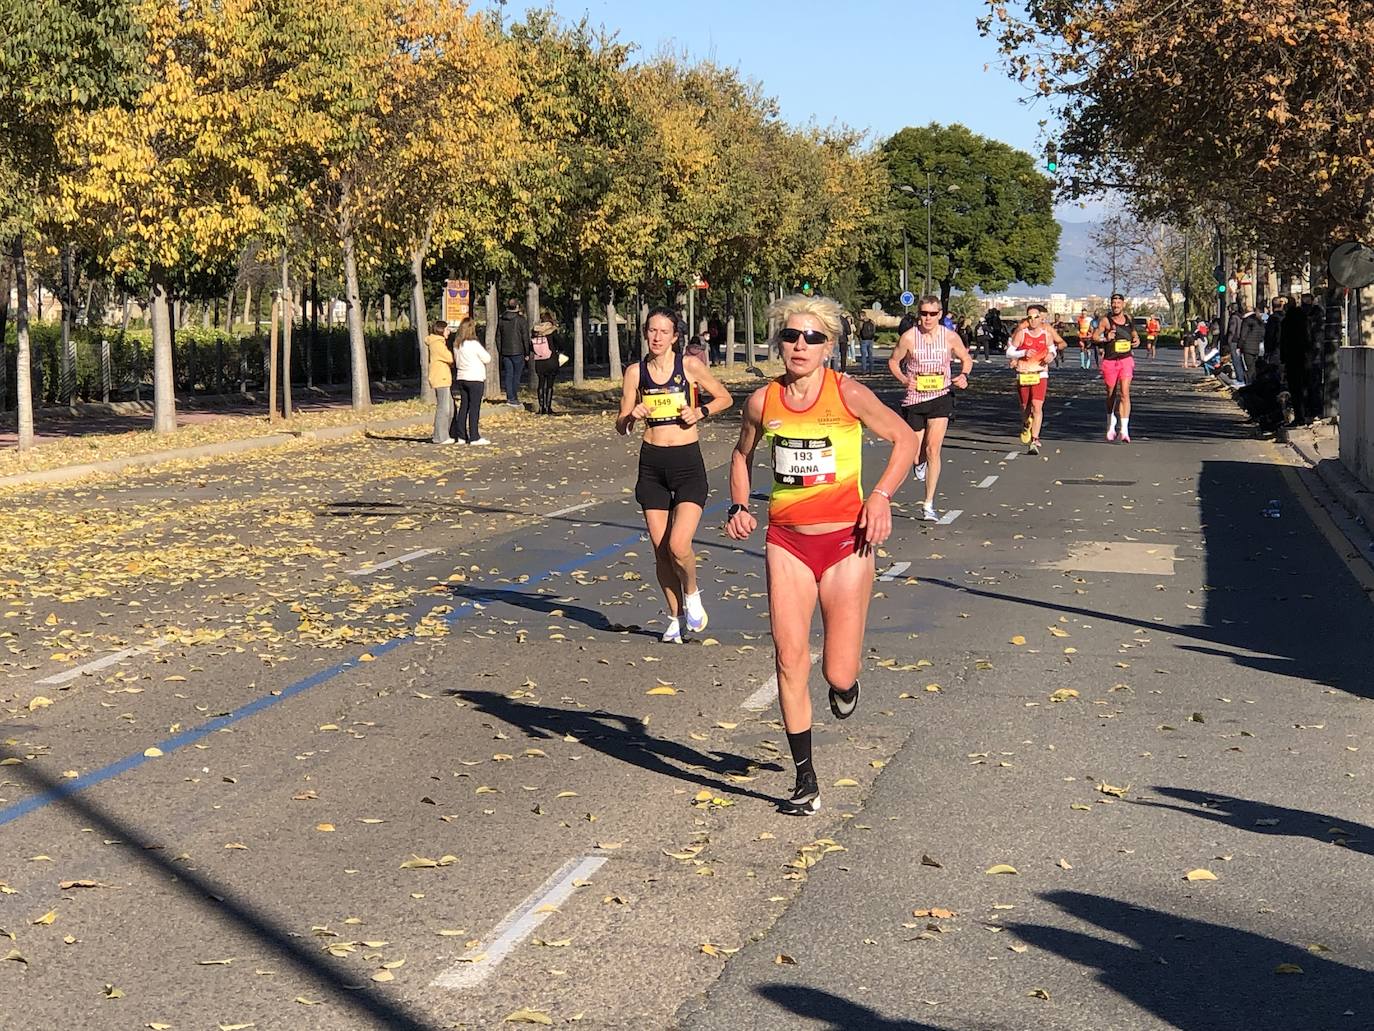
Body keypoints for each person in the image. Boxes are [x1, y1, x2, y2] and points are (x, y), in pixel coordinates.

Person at [726, 293, 916, 815]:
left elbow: (905, 440)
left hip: (844, 544)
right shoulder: (763, 402)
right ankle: (805, 781)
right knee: (789, 659)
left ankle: (847, 684)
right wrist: (739, 503)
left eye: (812, 337)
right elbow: (740, 456)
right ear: (779, 344)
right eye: (791, 336)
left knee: (836, 671)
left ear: (829, 346)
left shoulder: (848, 393)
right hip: (786, 542)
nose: (800, 345)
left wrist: (879, 497)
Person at [616, 308, 733, 644]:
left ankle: (692, 592)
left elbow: (724, 397)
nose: (656, 337)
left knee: (679, 545)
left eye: (663, 332)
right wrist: (631, 417)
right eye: (651, 331)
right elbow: (621, 424)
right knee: (660, 549)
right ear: (645, 333)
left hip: (687, 464)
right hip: (652, 464)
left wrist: (700, 411)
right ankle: (675, 617)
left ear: (675, 336)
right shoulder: (635, 373)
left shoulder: (689, 366)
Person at [888, 295, 974, 520]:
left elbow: (966, 358)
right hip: (914, 399)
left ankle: (928, 504)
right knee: (916, 454)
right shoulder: (908, 338)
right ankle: (920, 463)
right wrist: (905, 380)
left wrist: (964, 375)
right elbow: (893, 361)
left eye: (932, 314)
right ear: (919, 314)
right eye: (924, 313)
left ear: (940, 314)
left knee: (933, 449)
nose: (928, 318)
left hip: (941, 396)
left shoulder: (950, 337)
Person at [1006, 303, 1066, 455]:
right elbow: (1009, 351)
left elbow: (1052, 348)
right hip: (1024, 373)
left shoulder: (1046, 334)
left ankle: (1035, 439)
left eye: (1036, 317)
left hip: (1040, 374)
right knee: (1025, 407)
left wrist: (1050, 356)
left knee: (1037, 406)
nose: (1033, 320)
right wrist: (1023, 353)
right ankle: (1026, 424)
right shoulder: (1022, 333)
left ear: (1041, 319)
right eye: (1030, 317)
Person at [1095, 293, 1139, 442]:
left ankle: (1124, 429)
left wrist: (1136, 340)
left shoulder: (1128, 320)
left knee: (1125, 393)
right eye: (1114, 303)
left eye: (1118, 303)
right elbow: (1095, 337)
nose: (1116, 306)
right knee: (1111, 393)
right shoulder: (1106, 321)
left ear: (1123, 305)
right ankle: (1110, 422)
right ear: (1111, 304)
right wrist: (1106, 338)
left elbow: (1134, 334)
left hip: (1126, 359)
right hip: (1110, 361)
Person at [451, 317, 491, 444]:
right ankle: (474, 436)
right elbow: (487, 358)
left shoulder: (457, 344)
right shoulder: (474, 344)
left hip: (462, 377)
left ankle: (461, 436)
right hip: (475, 377)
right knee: (474, 408)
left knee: (464, 407)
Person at [1280, 294, 1309, 425]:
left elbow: (1284, 342)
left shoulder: (1287, 322)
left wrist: (1283, 359)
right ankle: (1305, 415)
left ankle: (1299, 417)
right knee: (1304, 388)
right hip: (1305, 357)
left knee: (1295, 389)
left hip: (1292, 358)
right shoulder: (1304, 319)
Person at [496, 298, 530, 407]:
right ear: (517, 307)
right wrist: (527, 352)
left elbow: (498, 337)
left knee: (508, 374)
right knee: (516, 375)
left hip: (506, 351)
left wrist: (500, 350)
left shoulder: (501, 319)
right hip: (518, 351)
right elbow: (525, 337)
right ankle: (514, 397)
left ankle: (509, 397)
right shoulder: (521, 320)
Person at [426, 320, 455, 444]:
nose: (449, 332)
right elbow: (449, 357)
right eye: (447, 329)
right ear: (441, 330)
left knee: (450, 407)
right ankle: (440, 436)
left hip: (443, 377)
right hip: (440, 377)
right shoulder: (437, 343)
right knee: (443, 408)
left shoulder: (439, 342)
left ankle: (445, 433)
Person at [531, 318, 561, 415]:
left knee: (541, 383)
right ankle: (548, 407)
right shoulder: (552, 332)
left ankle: (541, 407)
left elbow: (531, 346)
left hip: (539, 361)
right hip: (551, 360)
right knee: (549, 385)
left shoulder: (535, 332)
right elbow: (560, 344)